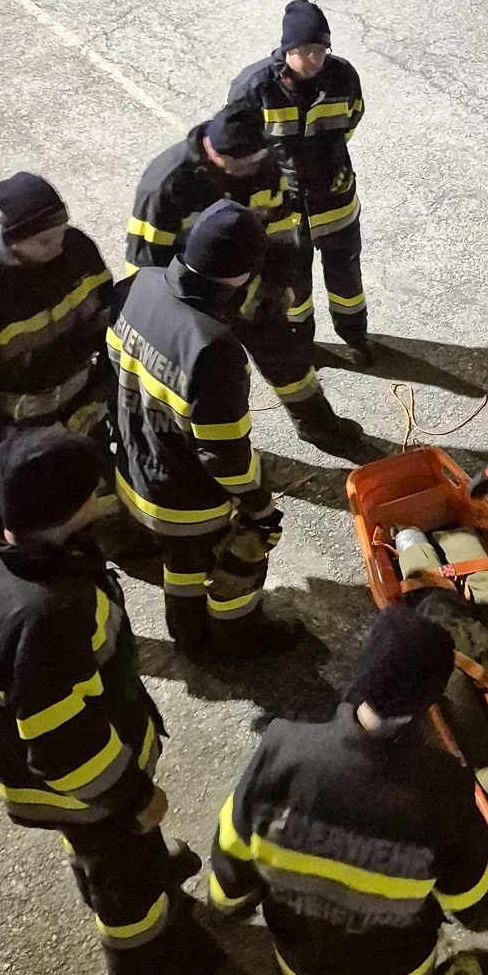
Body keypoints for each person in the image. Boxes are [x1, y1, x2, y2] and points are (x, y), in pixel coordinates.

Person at [0, 425, 216, 975]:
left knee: (112, 848)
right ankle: (144, 958)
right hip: (85, 788)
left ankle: (134, 871)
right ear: (71, 509)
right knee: (119, 869)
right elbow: (65, 749)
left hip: (59, 762)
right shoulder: (47, 619)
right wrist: (134, 798)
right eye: (94, 489)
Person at [208, 604, 488, 975]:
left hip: (296, 969)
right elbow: (484, 910)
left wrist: (230, 897)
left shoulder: (282, 745)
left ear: (363, 668)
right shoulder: (442, 791)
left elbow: (229, 870)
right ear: (431, 700)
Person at [125, 102, 365, 458]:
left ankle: (317, 424)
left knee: (288, 360)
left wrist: (277, 284)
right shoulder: (167, 186)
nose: (254, 169)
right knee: (212, 390)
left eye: (259, 159)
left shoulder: (261, 163)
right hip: (193, 306)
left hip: (250, 293)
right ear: (214, 152)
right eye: (245, 164)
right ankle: (217, 457)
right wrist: (177, 326)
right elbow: (144, 266)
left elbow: (281, 226)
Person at [109, 201, 285, 655]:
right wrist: (259, 504)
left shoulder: (139, 284)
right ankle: (239, 635)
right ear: (243, 274)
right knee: (239, 555)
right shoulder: (213, 349)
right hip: (189, 502)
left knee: (182, 561)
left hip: (135, 471)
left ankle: (189, 635)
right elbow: (223, 453)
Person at [230, 0, 374, 367]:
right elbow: (239, 148)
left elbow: (351, 118)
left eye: (321, 50)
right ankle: (301, 342)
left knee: (346, 280)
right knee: (293, 283)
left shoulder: (343, 77)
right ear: (287, 49)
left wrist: (330, 164)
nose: (314, 59)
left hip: (336, 203)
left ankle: (355, 336)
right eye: (306, 50)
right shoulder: (254, 87)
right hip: (284, 213)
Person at [0, 173, 112, 474]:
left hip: (86, 408)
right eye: (44, 241)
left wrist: (107, 383)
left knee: (95, 485)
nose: (58, 246)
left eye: (61, 232)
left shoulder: (78, 250)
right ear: (15, 239)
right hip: (25, 430)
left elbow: (106, 317)